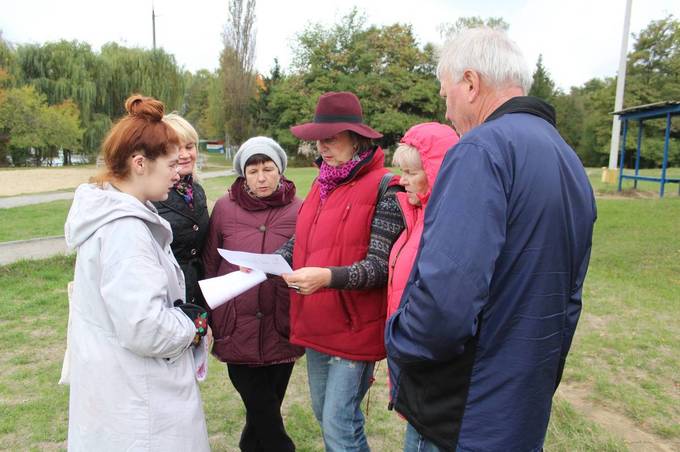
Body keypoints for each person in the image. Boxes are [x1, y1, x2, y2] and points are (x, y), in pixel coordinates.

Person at [385, 28, 597, 452]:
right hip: (520, 409)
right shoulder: (568, 159)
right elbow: (569, 300)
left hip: (462, 414)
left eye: (446, 95)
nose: (446, 112)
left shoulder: (482, 149)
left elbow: (445, 304)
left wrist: (398, 339)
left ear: (470, 83)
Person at [63, 94, 210, 451]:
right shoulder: (125, 230)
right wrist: (192, 324)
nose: (178, 174)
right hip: (140, 403)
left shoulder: (117, 217)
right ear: (140, 163)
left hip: (121, 389)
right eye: (171, 164)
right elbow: (145, 328)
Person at [279, 91, 404, 452]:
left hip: (355, 328)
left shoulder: (386, 186)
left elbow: (380, 267)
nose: (323, 146)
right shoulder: (320, 183)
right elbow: (300, 244)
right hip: (317, 323)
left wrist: (327, 278)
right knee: (328, 416)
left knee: (338, 423)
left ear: (357, 138)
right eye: (320, 139)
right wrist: (264, 263)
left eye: (332, 138)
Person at [202, 136, 304, 452]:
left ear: (280, 170)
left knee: (262, 415)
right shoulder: (223, 208)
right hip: (236, 324)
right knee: (264, 413)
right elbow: (209, 263)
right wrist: (210, 315)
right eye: (253, 170)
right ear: (243, 174)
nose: (261, 178)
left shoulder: (301, 209)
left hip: (282, 324)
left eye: (268, 169)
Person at [385, 122, 458, 430]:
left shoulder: (446, 225)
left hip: (431, 367)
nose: (403, 181)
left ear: (437, 171)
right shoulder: (416, 216)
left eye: (412, 173)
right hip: (412, 359)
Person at [153, 113, 209, 306]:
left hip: (198, 294)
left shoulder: (197, 191)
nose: (185, 155)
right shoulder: (153, 195)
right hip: (166, 297)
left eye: (189, 146)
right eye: (177, 148)